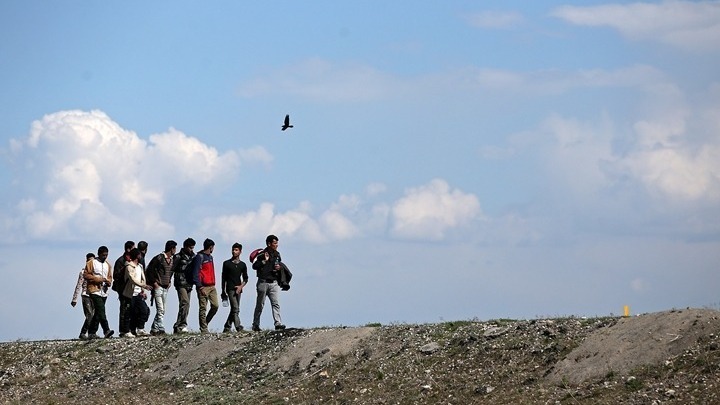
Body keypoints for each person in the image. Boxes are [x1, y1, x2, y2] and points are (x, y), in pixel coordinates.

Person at [251, 235, 286, 331]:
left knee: (275, 303)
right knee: (260, 304)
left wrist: (279, 268)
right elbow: (254, 266)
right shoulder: (262, 254)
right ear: (269, 244)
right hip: (263, 282)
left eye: (277, 243)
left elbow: (278, 264)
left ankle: (278, 323)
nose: (276, 245)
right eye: (275, 243)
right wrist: (264, 261)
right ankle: (255, 324)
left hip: (273, 283)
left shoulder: (277, 254)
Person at [83, 246, 115, 339]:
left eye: (106, 255)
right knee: (101, 310)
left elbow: (109, 276)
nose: (105, 257)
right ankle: (106, 330)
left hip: (104, 291)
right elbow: (86, 274)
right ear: (99, 254)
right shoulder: (91, 263)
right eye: (103, 255)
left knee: (98, 312)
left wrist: (108, 281)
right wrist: (98, 279)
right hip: (94, 290)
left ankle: (92, 332)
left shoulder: (108, 265)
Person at [146, 240, 177, 335]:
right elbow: (149, 270)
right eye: (175, 248)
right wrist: (154, 282)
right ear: (171, 249)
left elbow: (170, 272)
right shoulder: (159, 258)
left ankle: (154, 328)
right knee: (160, 309)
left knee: (163, 309)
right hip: (158, 287)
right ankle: (161, 328)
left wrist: (169, 281)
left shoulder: (172, 260)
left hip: (165, 288)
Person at [191, 238, 219, 333]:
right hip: (203, 286)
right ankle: (203, 328)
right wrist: (199, 286)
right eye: (213, 247)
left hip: (212, 286)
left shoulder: (210, 257)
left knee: (215, 306)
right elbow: (195, 273)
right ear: (211, 247)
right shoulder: (199, 257)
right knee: (203, 308)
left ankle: (205, 322)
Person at [123, 247, 152, 337]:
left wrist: (143, 290)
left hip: (139, 293)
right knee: (130, 312)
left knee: (144, 310)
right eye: (140, 255)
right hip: (130, 294)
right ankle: (127, 331)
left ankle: (140, 328)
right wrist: (144, 286)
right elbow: (132, 279)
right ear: (137, 256)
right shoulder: (129, 266)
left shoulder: (140, 266)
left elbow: (142, 279)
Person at [221, 243, 249, 332]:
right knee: (236, 308)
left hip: (238, 289)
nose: (234, 251)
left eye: (236, 250)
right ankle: (238, 326)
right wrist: (223, 291)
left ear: (240, 251)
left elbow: (246, 278)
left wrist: (241, 286)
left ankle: (227, 326)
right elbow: (223, 278)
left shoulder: (243, 265)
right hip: (230, 288)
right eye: (233, 249)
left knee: (234, 309)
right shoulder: (226, 263)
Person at [171, 238, 195, 334]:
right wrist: (169, 281)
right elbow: (172, 269)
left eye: (192, 248)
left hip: (189, 283)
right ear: (185, 247)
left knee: (186, 305)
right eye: (190, 248)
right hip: (180, 283)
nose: (191, 250)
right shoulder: (178, 257)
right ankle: (182, 324)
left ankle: (178, 325)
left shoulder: (193, 256)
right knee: (184, 302)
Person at [71, 252, 95, 340]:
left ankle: (91, 333)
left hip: (94, 294)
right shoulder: (83, 272)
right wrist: (74, 299)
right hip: (86, 295)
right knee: (90, 315)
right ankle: (83, 332)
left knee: (94, 315)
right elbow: (78, 285)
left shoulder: (96, 272)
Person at [113, 241, 134, 338]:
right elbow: (116, 276)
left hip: (131, 289)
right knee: (124, 308)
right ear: (128, 249)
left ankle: (130, 328)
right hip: (122, 288)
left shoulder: (132, 260)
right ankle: (123, 330)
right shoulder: (120, 261)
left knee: (130, 308)